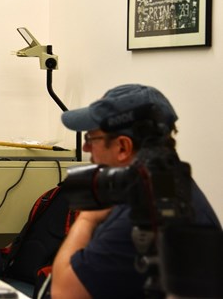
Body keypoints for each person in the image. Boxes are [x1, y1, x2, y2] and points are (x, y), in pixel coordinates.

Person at [50, 84, 221, 298]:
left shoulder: (143, 213)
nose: (86, 149)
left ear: (123, 147)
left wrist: (87, 219)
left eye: (91, 139)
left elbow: (64, 293)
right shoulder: (170, 187)